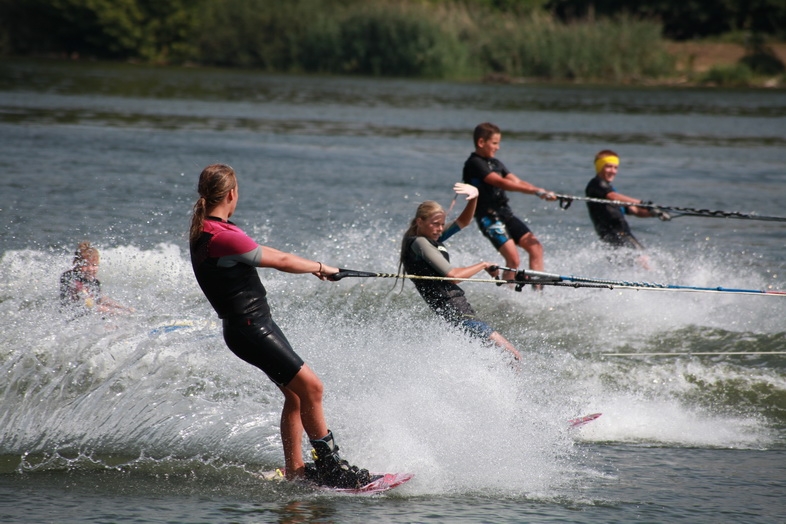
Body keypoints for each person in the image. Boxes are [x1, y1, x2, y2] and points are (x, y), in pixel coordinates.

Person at [189, 163, 372, 489]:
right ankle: (331, 467)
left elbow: (266, 251)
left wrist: (317, 267)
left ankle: (296, 471)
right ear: (231, 194)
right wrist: (321, 267)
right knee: (312, 388)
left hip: (248, 327)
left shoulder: (209, 230)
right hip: (251, 328)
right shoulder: (222, 236)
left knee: (297, 396)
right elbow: (280, 261)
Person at [399, 182, 522, 361]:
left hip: (458, 312)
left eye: (442, 224)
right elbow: (453, 276)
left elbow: (463, 222)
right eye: (435, 224)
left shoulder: (431, 237)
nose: (440, 229)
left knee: (500, 358)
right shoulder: (420, 242)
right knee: (513, 356)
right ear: (420, 222)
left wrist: (474, 198)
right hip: (457, 312)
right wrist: (483, 265)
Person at [462, 122, 557, 284]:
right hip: (488, 217)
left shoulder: (496, 163)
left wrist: (541, 191)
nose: (498, 147)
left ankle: (537, 294)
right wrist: (534, 191)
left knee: (536, 248)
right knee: (513, 260)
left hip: (505, 214)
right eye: (494, 143)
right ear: (481, 142)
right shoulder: (474, 164)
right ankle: (508, 296)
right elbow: (500, 182)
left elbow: (516, 181)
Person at [585, 150, 670, 263]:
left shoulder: (609, 191)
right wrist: (643, 203)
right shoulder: (596, 184)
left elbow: (635, 210)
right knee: (642, 259)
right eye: (608, 167)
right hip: (612, 233)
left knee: (637, 261)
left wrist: (656, 213)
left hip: (622, 233)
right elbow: (613, 197)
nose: (613, 171)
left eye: (615, 167)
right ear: (599, 167)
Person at [59, 241, 131, 318]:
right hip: (70, 317)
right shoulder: (70, 277)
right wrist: (117, 312)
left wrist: (124, 308)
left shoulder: (94, 282)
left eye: (94, 265)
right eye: (85, 265)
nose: (90, 269)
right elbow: (90, 304)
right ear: (77, 264)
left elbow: (100, 299)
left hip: (87, 316)